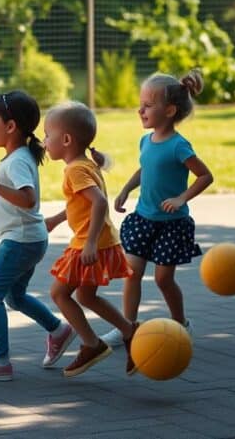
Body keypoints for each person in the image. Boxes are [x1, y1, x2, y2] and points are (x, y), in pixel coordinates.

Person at [0, 91, 71, 382]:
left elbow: (28, 200)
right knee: (15, 296)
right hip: (29, 239)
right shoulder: (17, 156)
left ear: (10, 126)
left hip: (20, 241)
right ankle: (59, 330)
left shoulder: (17, 161)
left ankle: (0, 361)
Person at [104, 70, 213, 360]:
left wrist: (181, 198)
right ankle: (126, 327)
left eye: (148, 105)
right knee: (132, 274)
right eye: (141, 104)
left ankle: (181, 324)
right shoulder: (146, 141)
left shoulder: (179, 145)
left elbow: (205, 176)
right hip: (143, 220)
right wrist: (127, 188)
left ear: (170, 110)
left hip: (171, 225)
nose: (140, 110)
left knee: (164, 280)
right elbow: (146, 169)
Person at [43, 101, 137, 377]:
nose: (45, 141)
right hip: (101, 238)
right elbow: (80, 205)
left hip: (90, 242)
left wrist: (91, 243)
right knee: (85, 295)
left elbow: (98, 203)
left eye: (48, 135)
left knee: (59, 293)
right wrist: (57, 220)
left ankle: (91, 343)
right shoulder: (84, 164)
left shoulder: (75, 170)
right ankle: (130, 331)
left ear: (67, 140)